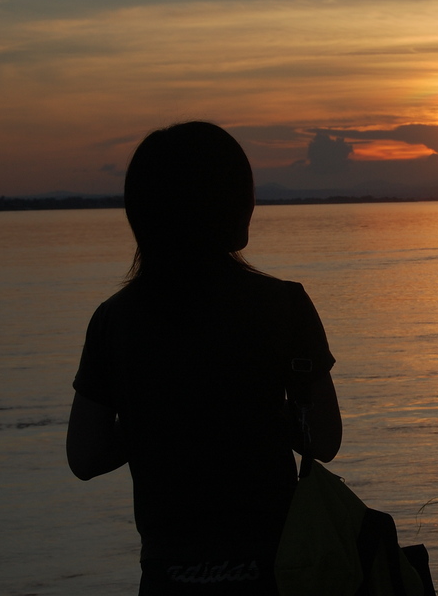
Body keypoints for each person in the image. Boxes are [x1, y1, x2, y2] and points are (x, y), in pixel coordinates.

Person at [66, 121, 342, 595]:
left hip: (169, 576)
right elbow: (326, 439)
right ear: (230, 208)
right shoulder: (284, 306)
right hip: (272, 573)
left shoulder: (115, 320)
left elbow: (85, 455)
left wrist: (156, 420)